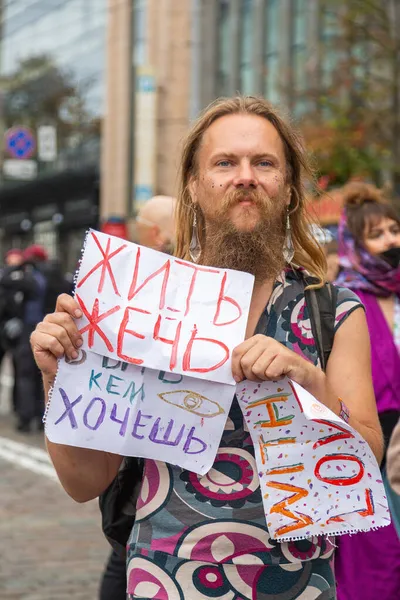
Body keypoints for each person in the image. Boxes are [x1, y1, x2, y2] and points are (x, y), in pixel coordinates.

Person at [30, 96, 383, 599]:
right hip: (165, 577)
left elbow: (365, 464)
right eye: (224, 163)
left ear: (287, 189)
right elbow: (85, 481)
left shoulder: (331, 311)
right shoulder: (137, 303)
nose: (245, 176)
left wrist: (311, 383)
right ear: (193, 187)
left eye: (264, 163)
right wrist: (55, 377)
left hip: (297, 582)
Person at [99, 194, 176, 600]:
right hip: (135, 438)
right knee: (124, 538)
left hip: (172, 442)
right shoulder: (125, 286)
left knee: (126, 541)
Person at [334, 182, 400, 600]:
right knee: (380, 554)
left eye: (395, 230)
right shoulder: (345, 300)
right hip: (372, 448)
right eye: (377, 235)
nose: (391, 241)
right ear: (355, 245)